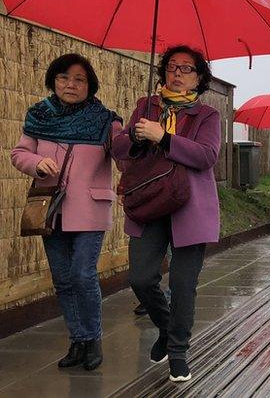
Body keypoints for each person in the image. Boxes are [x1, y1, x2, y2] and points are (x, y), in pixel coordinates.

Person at [112, 45, 221, 383]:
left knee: (183, 282)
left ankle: (178, 350)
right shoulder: (146, 106)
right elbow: (117, 149)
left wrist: (165, 137)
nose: (177, 72)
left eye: (187, 68)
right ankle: (165, 325)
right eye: (172, 66)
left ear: (199, 78)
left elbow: (206, 156)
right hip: (149, 201)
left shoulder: (207, 116)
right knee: (141, 278)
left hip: (190, 206)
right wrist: (135, 133)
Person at [11, 54, 122, 372]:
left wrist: (129, 143)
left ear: (90, 85)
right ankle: (78, 341)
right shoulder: (39, 116)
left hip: (89, 209)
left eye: (79, 79)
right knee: (62, 279)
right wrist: (35, 163)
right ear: (52, 80)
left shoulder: (106, 121)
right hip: (51, 210)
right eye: (63, 77)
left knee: (82, 275)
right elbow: (19, 153)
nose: (70, 84)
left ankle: (93, 339)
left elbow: (123, 155)